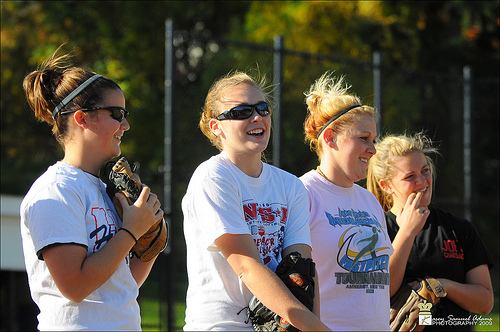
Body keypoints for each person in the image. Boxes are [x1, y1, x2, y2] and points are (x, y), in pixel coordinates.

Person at [20, 49, 163, 330]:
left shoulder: (103, 189)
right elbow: (74, 286)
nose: (126, 124)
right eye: (117, 114)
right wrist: (131, 232)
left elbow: (121, 285)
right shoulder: (55, 191)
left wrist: (149, 240)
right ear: (82, 118)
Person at [182, 71, 329, 331]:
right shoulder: (213, 176)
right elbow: (247, 267)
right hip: (223, 325)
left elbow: (302, 270)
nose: (257, 117)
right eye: (241, 112)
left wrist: (312, 324)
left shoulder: (290, 185)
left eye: (262, 108)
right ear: (217, 127)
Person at [366, 133, 494, 331]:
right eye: (410, 176)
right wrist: (407, 232)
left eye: (425, 170)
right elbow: (382, 290)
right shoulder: (375, 229)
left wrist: (441, 286)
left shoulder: (458, 228)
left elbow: (485, 303)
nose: (422, 181)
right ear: (387, 186)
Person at [299, 72, 393, 331]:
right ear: (329, 138)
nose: (373, 149)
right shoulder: (302, 193)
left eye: (374, 140)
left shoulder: (370, 201)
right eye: (363, 138)